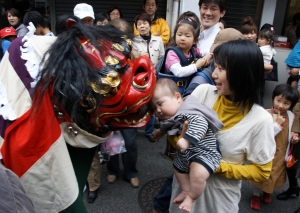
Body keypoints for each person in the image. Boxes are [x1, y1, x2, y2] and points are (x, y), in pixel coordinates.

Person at [169, 40, 276, 213]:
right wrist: (178, 137)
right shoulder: (203, 93)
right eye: (215, 67)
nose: (214, 75)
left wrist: (211, 165)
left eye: (221, 68)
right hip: (184, 190)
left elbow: (262, 172)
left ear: (242, 73)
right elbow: (174, 133)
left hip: (218, 200)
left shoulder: (260, 120)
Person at [151, 78, 223, 212]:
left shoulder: (189, 109)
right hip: (187, 154)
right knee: (177, 168)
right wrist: (160, 131)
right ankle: (185, 190)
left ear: (177, 97)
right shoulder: (175, 113)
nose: (158, 110)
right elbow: (169, 124)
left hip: (204, 152)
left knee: (198, 174)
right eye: (155, 108)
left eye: (160, 104)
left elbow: (201, 123)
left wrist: (186, 140)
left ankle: (191, 198)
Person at [249, 84, 298, 210]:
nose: (281, 105)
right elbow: (263, 136)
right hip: (264, 152)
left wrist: (293, 136)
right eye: (278, 100)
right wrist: (277, 124)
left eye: (286, 103)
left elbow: (290, 131)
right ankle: (255, 195)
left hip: (280, 153)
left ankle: (267, 192)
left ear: (291, 105)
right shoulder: (265, 114)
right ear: (273, 98)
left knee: (274, 174)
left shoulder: (291, 116)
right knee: (260, 173)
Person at [132, 12, 164, 143]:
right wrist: (140, 57)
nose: (142, 26)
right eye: (139, 24)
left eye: (145, 23)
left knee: (152, 103)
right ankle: (133, 127)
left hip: (154, 76)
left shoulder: (159, 40)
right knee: (138, 103)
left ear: (150, 26)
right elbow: (131, 60)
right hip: (139, 77)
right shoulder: (133, 41)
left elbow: (162, 57)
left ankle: (149, 131)